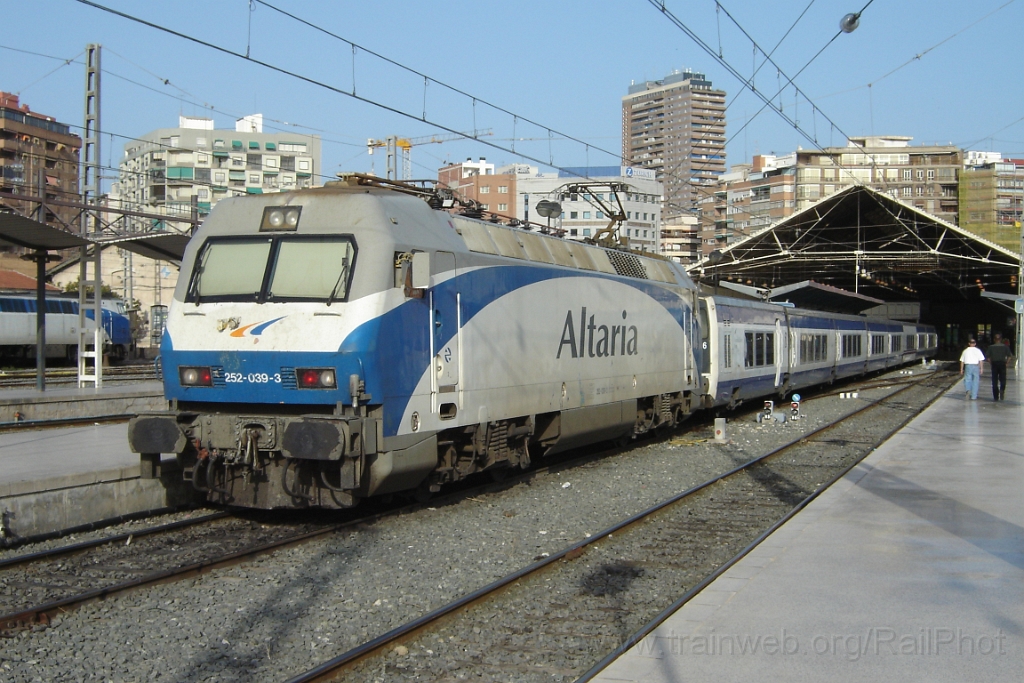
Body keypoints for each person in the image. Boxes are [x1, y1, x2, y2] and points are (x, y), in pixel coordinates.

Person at [986, 333, 1012, 401]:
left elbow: (988, 357)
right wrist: (1007, 363)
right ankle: (1002, 389)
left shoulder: (991, 347)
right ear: (1001, 339)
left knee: (994, 380)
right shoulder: (1005, 347)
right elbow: (1009, 356)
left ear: (994, 339)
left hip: (994, 364)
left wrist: (991, 363)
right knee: (1003, 379)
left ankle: (996, 396)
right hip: (1002, 363)